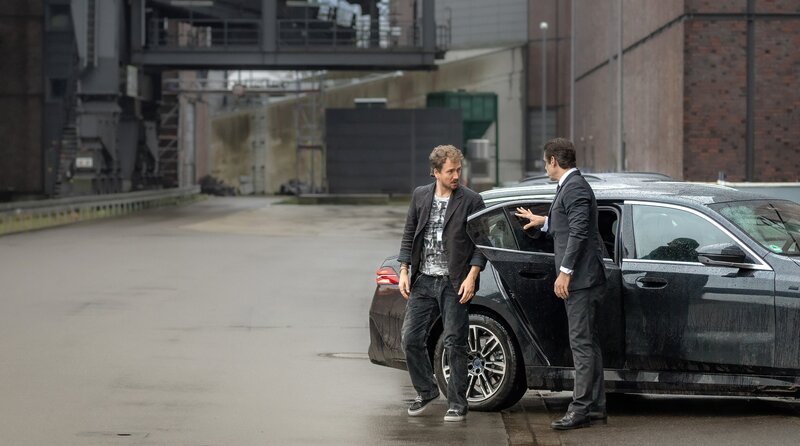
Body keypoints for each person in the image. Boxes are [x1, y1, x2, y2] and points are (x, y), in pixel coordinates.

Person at [515, 137, 607, 430]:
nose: (545, 168)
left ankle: (580, 410)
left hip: (581, 281)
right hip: (583, 279)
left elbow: (579, 233)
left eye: (545, 162)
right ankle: (594, 407)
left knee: (581, 346)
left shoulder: (576, 187)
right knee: (589, 345)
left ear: (554, 160)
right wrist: (542, 220)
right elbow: (567, 224)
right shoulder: (571, 186)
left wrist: (565, 272)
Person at [398, 145, 486, 422]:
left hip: (455, 281)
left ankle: (458, 403)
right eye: (450, 171)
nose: (456, 175)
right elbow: (410, 232)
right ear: (435, 172)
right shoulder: (420, 195)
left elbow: (482, 243)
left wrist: (472, 276)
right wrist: (404, 269)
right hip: (424, 280)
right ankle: (426, 390)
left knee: (454, 342)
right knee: (410, 338)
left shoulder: (471, 200)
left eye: (458, 170)